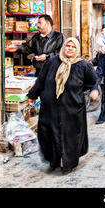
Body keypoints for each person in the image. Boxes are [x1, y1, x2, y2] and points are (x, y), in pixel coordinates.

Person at [26, 38, 98, 174]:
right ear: (63, 47)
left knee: (70, 136)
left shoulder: (83, 65)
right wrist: (32, 95)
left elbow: (92, 81)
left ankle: (67, 163)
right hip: (51, 107)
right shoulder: (52, 62)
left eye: (73, 47)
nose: (70, 48)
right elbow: (41, 80)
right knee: (50, 133)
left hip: (72, 108)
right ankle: (55, 160)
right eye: (67, 46)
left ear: (77, 49)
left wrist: (78, 91)